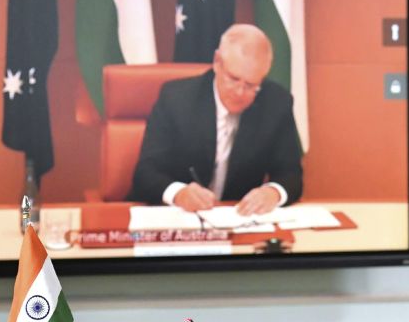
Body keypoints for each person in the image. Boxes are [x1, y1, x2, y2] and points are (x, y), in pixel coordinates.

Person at [130, 23, 303, 215]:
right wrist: (179, 193)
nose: (239, 92)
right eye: (233, 79)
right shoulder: (176, 99)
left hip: (238, 221)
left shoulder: (276, 103)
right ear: (217, 62)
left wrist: (273, 193)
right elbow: (146, 173)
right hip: (178, 218)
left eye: (251, 85)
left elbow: (291, 174)